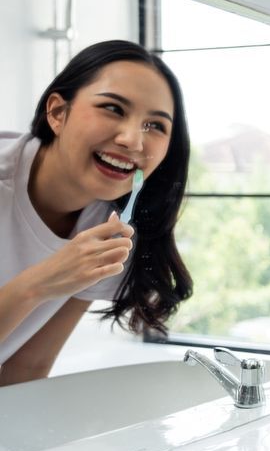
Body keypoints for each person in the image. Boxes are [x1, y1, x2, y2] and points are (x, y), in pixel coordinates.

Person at [0, 40, 192, 386]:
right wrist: (36, 285)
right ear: (57, 113)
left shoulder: (110, 232)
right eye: (113, 109)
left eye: (156, 126)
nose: (133, 141)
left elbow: (26, 367)